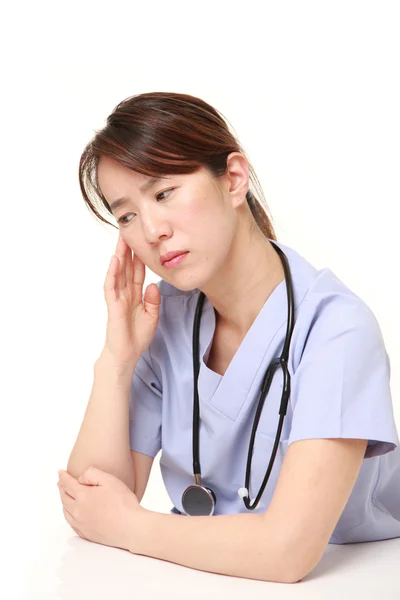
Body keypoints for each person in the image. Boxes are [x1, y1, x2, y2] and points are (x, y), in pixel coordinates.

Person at [59, 91, 400, 584]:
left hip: (361, 577)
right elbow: (92, 499)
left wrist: (130, 526)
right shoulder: (166, 319)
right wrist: (116, 360)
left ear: (234, 179)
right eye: (126, 215)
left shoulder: (337, 331)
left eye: (163, 193)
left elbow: (288, 553)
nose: (151, 230)